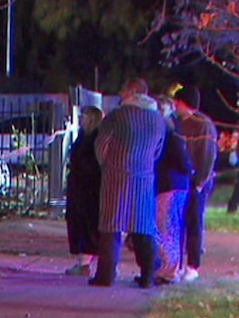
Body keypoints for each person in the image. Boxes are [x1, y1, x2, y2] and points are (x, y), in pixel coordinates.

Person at [90, 78, 166, 288]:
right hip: (144, 179)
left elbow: (102, 145)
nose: (120, 93)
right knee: (143, 227)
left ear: (133, 92)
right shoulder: (158, 120)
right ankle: (149, 275)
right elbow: (157, 151)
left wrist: (109, 165)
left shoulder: (117, 116)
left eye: (123, 89)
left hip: (116, 177)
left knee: (111, 226)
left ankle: (105, 276)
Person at [172, 84, 218, 282]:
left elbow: (208, 156)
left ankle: (193, 265)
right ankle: (178, 264)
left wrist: (199, 182)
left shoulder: (203, 125)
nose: (175, 106)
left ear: (184, 103)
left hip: (196, 182)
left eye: (177, 102)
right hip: (183, 180)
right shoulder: (178, 123)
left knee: (194, 222)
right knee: (178, 223)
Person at [153, 96, 194, 285]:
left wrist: (189, 171)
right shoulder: (172, 129)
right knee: (168, 227)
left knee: (166, 227)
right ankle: (168, 269)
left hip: (170, 184)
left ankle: (168, 270)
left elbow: (179, 157)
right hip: (174, 183)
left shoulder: (168, 131)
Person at [64, 105, 103, 276]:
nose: (81, 118)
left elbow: (91, 164)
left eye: (84, 116)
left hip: (88, 187)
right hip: (79, 186)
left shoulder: (94, 138)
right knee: (79, 223)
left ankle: (86, 262)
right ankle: (83, 261)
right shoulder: (83, 136)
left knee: (87, 225)